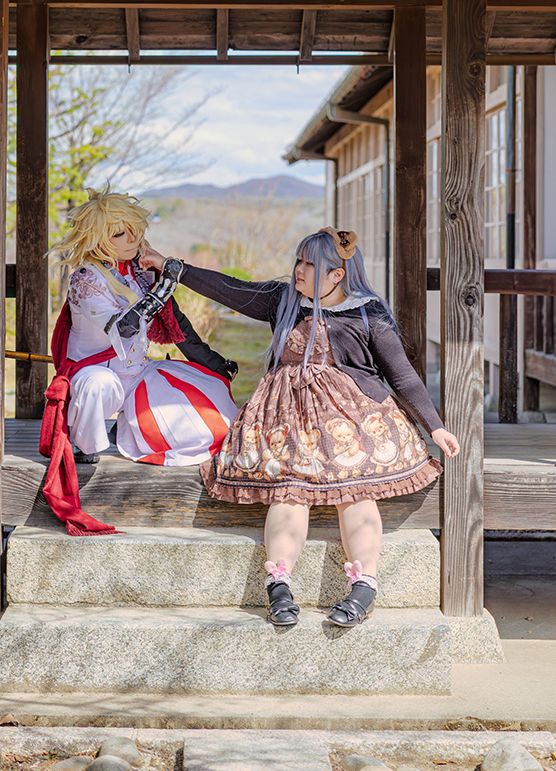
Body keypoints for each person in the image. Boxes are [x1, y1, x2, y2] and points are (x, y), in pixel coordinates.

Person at [140, 228, 460, 628]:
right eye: (299, 260)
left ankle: (364, 587)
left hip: (351, 423)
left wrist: (435, 427)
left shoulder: (367, 313)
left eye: (311, 264)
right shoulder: (284, 300)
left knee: (356, 492)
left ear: (337, 275)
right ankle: (279, 585)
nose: (299, 270)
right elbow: (228, 288)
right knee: (288, 493)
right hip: (287, 424)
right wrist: (171, 266)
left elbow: (403, 376)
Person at [49, 187, 238, 468]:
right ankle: (85, 444)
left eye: (134, 229)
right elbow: (123, 328)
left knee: (210, 416)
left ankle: (126, 429)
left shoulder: (140, 272)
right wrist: (163, 287)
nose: (132, 238)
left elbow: (177, 324)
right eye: (118, 233)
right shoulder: (85, 278)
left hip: (138, 374)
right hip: (96, 375)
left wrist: (214, 364)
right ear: (96, 238)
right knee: (98, 385)